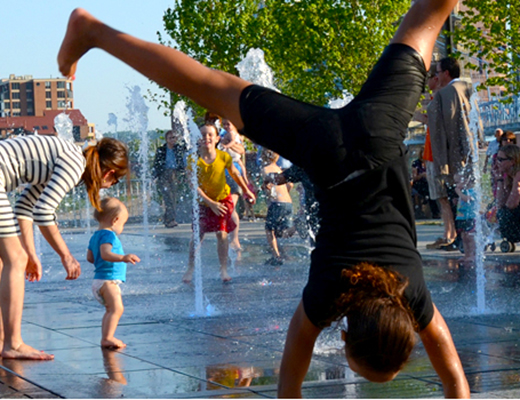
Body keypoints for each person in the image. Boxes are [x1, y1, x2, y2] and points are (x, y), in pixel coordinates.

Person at [57, 2, 470, 396]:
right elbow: (289, 384)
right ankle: (94, 31)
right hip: (324, 150)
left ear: (408, 331)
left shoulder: (413, 294)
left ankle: (92, 31)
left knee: (428, 15)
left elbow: (455, 381)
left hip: (381, 130)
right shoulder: (327, 294)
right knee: (204, 85)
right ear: (343, 335)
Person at [0, 135, 128, 360]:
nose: (109, 186)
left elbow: (25, 206)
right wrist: (66, 255)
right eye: (115, 181)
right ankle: (14, 343)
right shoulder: (74, 163)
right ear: (109, 173)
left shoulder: (65, 156)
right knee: (13, 260)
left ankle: (3, 342)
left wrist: (31, 254)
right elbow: (44, 212)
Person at [182, 124, 256, 283]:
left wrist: (246, 190)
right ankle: (190, 268)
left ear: (217, 138)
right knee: (197, 235)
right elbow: (193, 185)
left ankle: (223, 268)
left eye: (210, 135)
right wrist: (210, 203)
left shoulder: (224, 157)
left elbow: (235, 174)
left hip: (222, 199)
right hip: (203, 202)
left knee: (222, 234)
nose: (206, 138)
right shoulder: (192, 159)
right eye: (203, 135)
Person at [426, 57, 480, 251]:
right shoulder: (467, 88)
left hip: (456, 153)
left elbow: (444, 125)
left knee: (459, 193)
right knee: (469, 193)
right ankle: (470, 239)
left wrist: (444, 161)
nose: (437, 76)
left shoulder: (448, 92)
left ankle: (466, 241)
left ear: (447, 73)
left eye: (438, 72)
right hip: (469, 148)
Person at [87, 197, 140, 349]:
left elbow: (90, 257)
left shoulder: (95, 236)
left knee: (111, 310)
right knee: (117, 309)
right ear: (115, 220)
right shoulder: (108, 235)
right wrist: (123, 258)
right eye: (123, 223)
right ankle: (108, 338)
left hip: (100, 281)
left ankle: (106, 337)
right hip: (107, 281)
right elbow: (105, 254)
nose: (122, 227)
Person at [218, 118, 249, 252]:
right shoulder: (223, 134)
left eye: (228, 124)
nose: (226, 126)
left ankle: (235, 239)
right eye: (224, 124)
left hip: (234, 169)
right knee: (226, 207)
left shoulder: (235, 136)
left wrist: (227, 145)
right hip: (223, 170)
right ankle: (229, 238)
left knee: (230, 207)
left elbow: (241, 151)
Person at [261, 148, 295, 266]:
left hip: (276, 203)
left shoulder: (265, 169)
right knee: (282, 231)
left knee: (269, 230)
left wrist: (269, 193)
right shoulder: (279, 169)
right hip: (288, 203)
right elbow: (290, 184)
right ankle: (285, 253)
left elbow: (268, 185)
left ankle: (277, 256)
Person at [152, 130, 187, 228]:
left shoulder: (178, 149)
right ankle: (170, 220)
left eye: (174, 138)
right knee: (168, 197)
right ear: (166, 139)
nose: (173, 140)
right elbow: (156, 163)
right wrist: (154, 176)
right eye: (170, 138)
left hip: (175, 174)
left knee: (174, 197)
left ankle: (168, 219)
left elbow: (183, 159)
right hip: (164, 174)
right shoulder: (161, 150)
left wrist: (183, 174)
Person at [454, 171, 477, 265]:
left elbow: (467, 199)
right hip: (461, 218)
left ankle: (473, 255)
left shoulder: (473, 191)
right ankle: (467, 255)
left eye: (458, 182)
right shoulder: (463, 192)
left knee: (470, 237)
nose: (456, 185)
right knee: (463, 237)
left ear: (466, 180)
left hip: (470, 217)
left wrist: (458, 192)